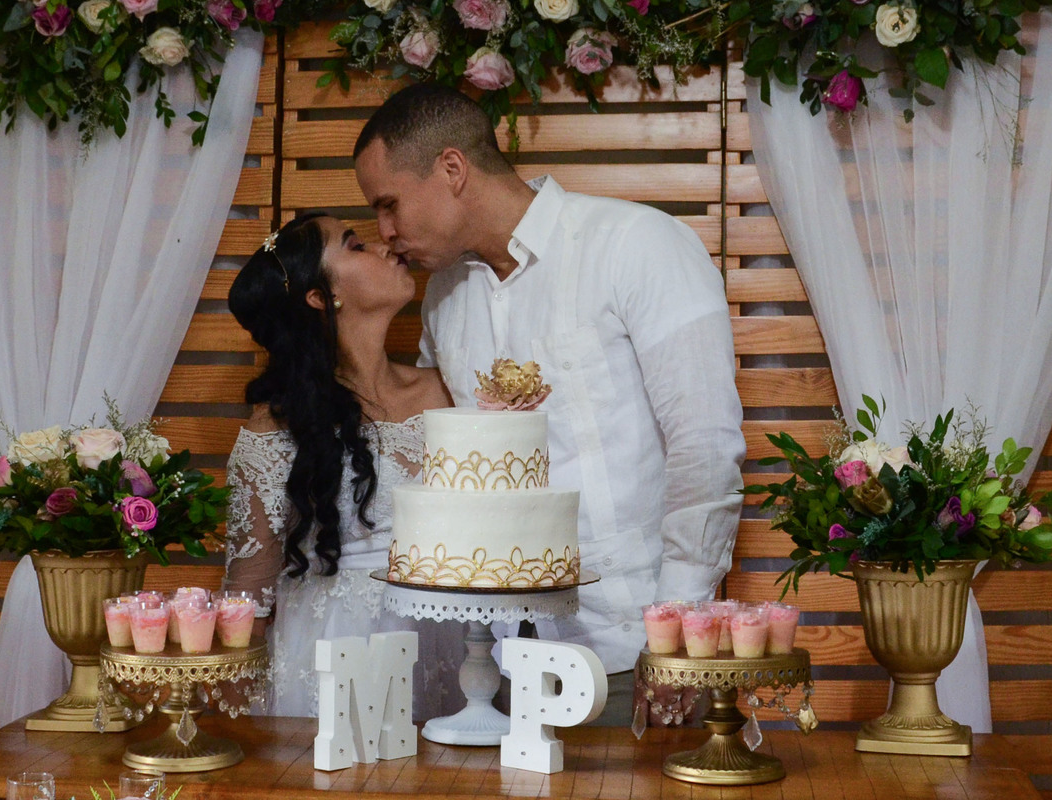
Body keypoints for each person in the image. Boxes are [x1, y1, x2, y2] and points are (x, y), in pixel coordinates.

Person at [352, 84, 747, 725]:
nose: (385, 233)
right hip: (497, 662)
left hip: (632, 649)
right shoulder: (443, 298)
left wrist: (676, 632)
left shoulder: (636, 244)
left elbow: (705, 445)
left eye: (388, 204)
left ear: (452, 169)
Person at [222, 214, 464, 719]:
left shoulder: (450, 389)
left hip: (451, 637)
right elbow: (248, 598)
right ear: (320, 296)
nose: (385, 246)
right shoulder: (276, 427)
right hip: (332, 653)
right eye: (355, 245)